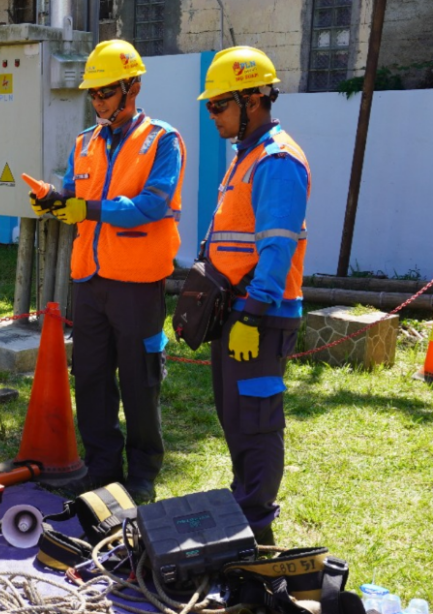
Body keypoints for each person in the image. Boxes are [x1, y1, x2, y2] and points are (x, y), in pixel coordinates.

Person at [28, 40, 185, 505]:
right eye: (92, 94)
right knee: (91, 378)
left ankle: (141, 476)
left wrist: (87, 207)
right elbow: (78, 202)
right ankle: (101, 468)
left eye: (106, 92)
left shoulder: (163, 140)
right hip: (90, 282)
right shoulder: (84, 143)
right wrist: (57, 202)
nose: (98, 101)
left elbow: (152, 205)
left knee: (139, 381)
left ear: (132, 87)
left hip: (137, 284)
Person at [199, 47, 309, 546]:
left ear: (253, 100)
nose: (213, 115)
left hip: (259, 317)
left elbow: (277, 248)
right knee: (236, 416)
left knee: (257, 419)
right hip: (237, 314)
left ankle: (256, 522)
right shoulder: (246, 158)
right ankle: (245, 497)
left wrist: (254, 313)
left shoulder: (277, 161)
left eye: (219, 105)